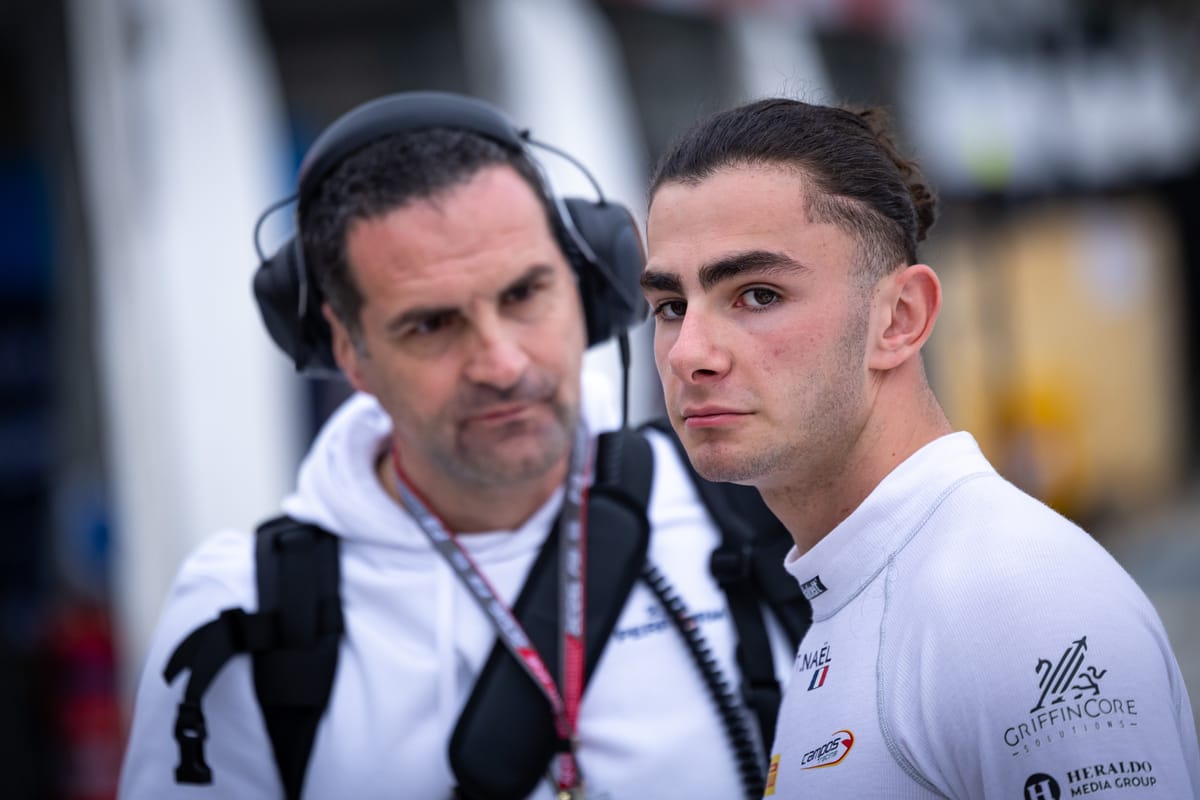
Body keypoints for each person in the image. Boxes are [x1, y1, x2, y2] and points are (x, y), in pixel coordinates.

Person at [117, 91, 801, 800]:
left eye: (523, 294)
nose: (501, 364)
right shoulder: (246, 608)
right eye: (431, 325)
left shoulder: (759, 503)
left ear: (588, 284)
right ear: (349, 350)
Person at [640, 96, 1200, 799]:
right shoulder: (864, 582)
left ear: (900, 318)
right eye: (670, 306)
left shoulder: (1017, 601)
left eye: (757, 295)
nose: (688, 353)